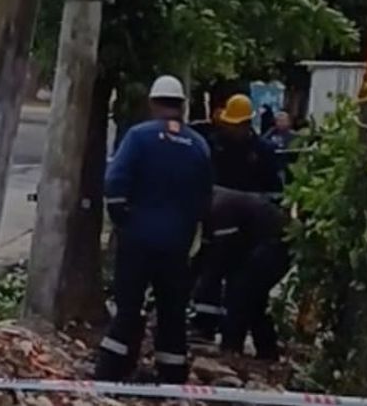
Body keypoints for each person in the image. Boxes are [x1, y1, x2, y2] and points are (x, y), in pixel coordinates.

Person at [96, 74, 213, 386]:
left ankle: (111, 372)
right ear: (182, 106)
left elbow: (115, 184)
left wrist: (123, 221)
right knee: (173, 312)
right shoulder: (198, 145)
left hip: (138, 240)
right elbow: (205, 199)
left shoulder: (138, 137)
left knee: (129, 307)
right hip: (177, 245)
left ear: (152, 103)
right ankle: (173, 375)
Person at [206, 187, 290, 361]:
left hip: (273, 246)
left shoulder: (220, 207)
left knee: (239, 294)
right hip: (276, 244)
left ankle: (231, 349)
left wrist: (206, 282)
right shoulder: (221, 202)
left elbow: (220, 255)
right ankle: (267, 352)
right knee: (254, 300)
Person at [207, 94, 282, 195]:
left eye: (236, 126)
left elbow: (273, 188)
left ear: (247, 124)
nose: (231, 129)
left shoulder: (263, 150)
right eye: (229, 124)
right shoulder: (215, 145)